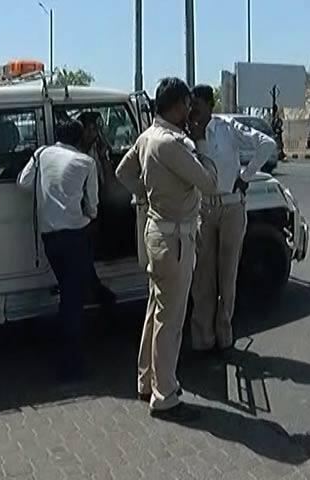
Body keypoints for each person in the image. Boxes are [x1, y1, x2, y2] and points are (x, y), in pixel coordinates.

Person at [115, 77, 218, 419]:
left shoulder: (147, 137)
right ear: (176, 106)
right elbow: (209, 182)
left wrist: (147, 194)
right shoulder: (172, 143)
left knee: (156, 311)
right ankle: (165, 395)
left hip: (157, 231)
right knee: (170, 320)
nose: (191, 110)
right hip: (175, 239)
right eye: (187, 104)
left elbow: (123, 172)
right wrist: (200, 140)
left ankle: (147, 380)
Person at [189, 85, 276, 353]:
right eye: (190, 105)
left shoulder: (227, 129)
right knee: (202, 277)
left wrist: (245, 177)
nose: (192, 110)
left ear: (209, 105)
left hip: (231, 207)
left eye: (197, 105)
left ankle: (224, 335)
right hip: (204, 208)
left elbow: (267, 145)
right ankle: (203, 338)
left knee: (227, 275)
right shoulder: (186, 135)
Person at [17, 119, 99, 381]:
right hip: (75, 236)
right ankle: (71, 364)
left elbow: (23, 183)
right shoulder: (86, 162)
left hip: (49, 238)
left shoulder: (41, 153)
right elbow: (93, 206)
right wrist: (85, 213)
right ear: (79, 139)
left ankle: (98, 291)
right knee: (72, 300)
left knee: (68, 289)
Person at [77, 111, 117, 310]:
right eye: (90, 129)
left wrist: (104, 157)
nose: (94, 134)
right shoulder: (76, 153)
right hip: (79, 205)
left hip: (96, 200)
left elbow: (108, 182)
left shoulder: (96, 151)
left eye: (96, 129)